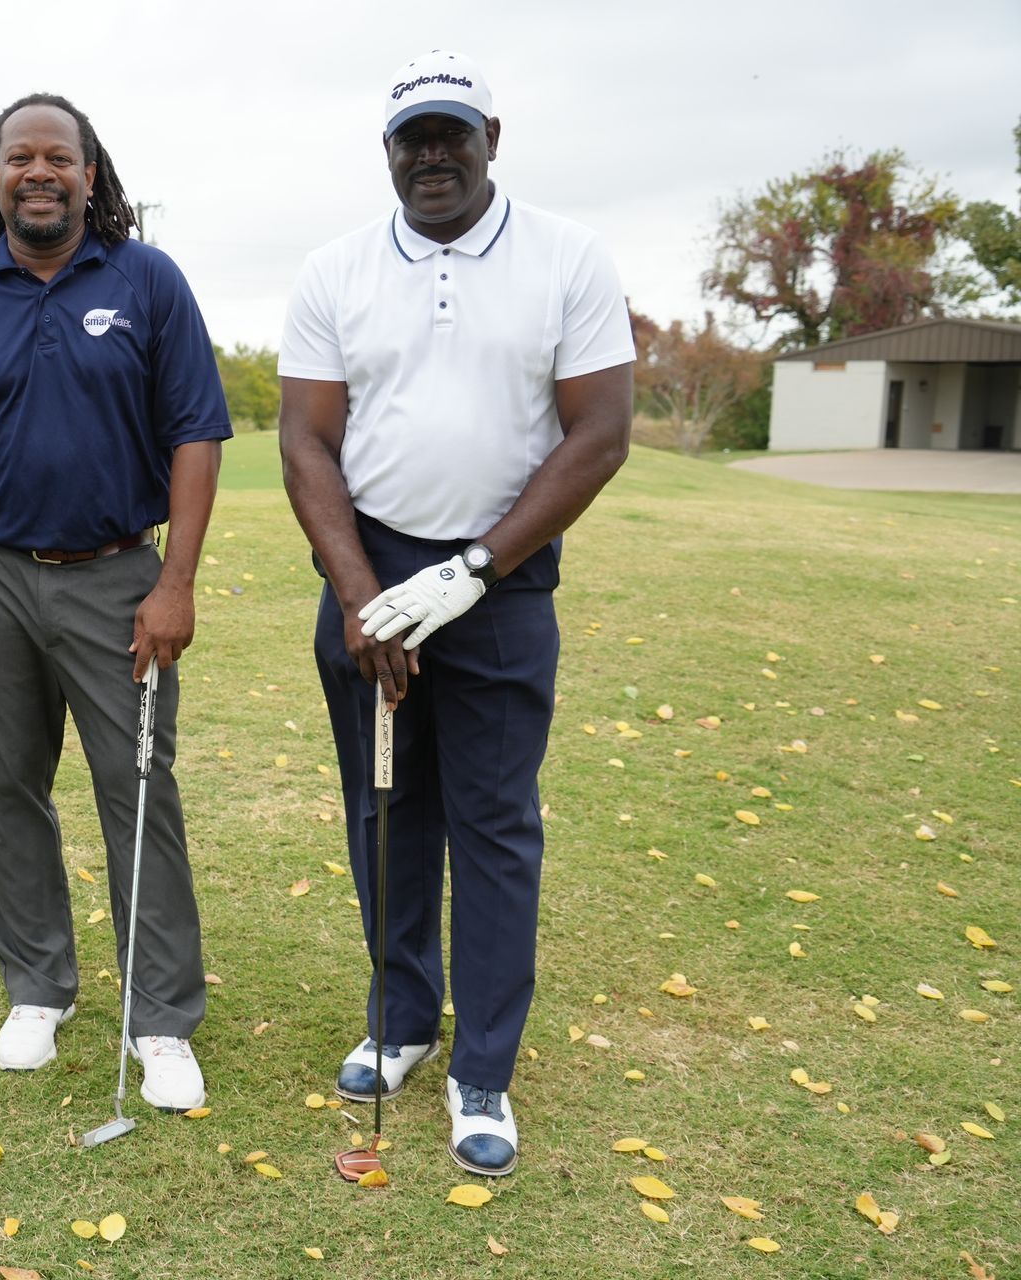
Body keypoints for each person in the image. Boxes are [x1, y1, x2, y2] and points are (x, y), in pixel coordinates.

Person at [278, 50, 634, 1176]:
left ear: (490, 136)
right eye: (410, 139)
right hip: (370, 571)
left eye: (451, 134)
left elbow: (599, 434)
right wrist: (359, 593)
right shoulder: (335, 269)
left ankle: (483, 1060)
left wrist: (473, 569)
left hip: (503, 575)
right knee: (387, 809)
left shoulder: (568, 257)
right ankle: (401, 1020)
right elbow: (305, 441)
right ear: (388, 153)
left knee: (492, 823)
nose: (432, 156)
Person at [0, 93, 231, 1111]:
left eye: (60, 157)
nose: (38, 171)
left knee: (138, 788)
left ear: (92, 175)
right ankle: (36, 984)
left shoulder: (147, 280)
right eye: (19, 158)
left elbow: (196, 435)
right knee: (2, 783)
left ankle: (162, 1017)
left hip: (117, 573)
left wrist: (174, 580)